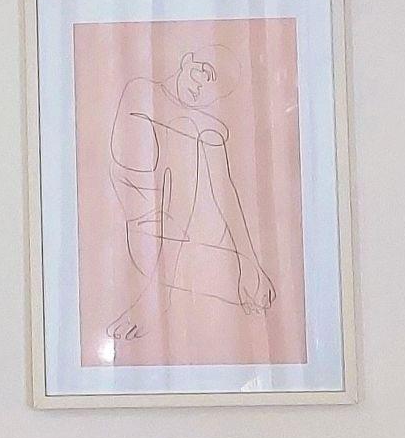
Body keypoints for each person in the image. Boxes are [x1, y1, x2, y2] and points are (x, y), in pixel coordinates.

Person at [102, 48, 276, 342]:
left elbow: (225, 190)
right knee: (187, 129)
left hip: (188, 243)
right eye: (202, 73)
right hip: (148, 239)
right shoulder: (140, 91)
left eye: (213, 90)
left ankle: (232, 273)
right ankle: (156, 298)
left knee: (255, 291)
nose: (201, 89)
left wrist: (250, 262)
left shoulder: (205, 127)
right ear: (187, 60)